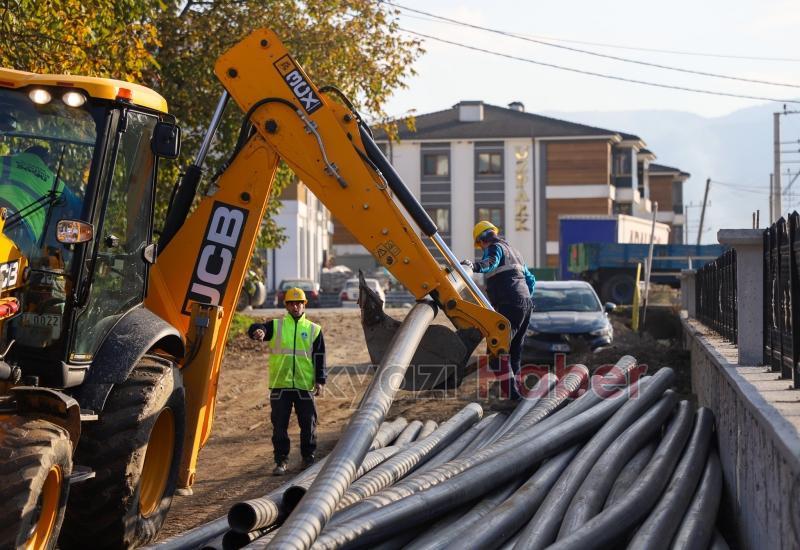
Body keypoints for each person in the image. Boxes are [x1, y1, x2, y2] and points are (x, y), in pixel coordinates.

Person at [248, 287, 326, 475]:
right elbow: (258, 329)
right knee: (279, 425)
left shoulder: (314, 330)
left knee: (308, 423)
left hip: (304, 385)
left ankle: (308, 458)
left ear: (304, 305)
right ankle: (281, 461)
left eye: (299, 303)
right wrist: (257, 331)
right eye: (292, 303)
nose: (296, 306)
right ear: (287, 306)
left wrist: (320, 380)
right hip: (280, 384)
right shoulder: (277, 326)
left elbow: (319, 356)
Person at [462, 221, 535, 401]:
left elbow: (491, 262)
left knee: (496, 354)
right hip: (525, 304)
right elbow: (531, 279)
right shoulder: (515, 252)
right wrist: (523, 298)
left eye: (479, 245)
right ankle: (517, 393)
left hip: (509, 304)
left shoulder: (495, 248)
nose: (481, 247)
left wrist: (474, 266)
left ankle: (513, 398)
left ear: (481, 240)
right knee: (514, 352)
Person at [0, 145, 68, 253]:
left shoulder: (4, 161)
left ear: (24, 153)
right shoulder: (56, 184)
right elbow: (80, 208)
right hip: (22, 232)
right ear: (46, 163)